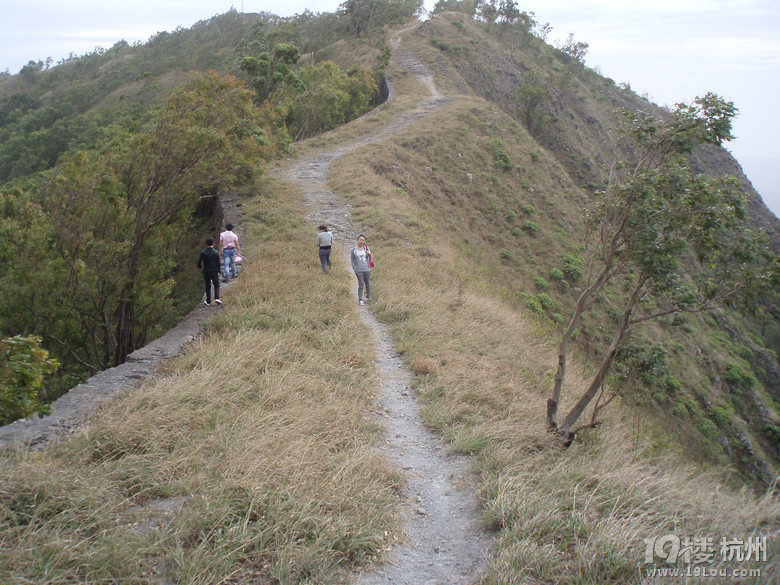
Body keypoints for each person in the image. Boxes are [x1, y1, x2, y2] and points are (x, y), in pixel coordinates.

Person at [197, 237, 222, 306]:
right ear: (213, 243)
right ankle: (216, 297)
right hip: (214, 271)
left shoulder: (203, 253)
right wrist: (219, 270)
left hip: (206, 271)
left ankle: (208, 300)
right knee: (216, 285)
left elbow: (199, 262)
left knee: (208, 286)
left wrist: (201, 268)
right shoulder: (216, 252)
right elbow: (218, 263)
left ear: (206, 244)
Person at [350, 234, 373, 305]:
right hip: (359, 270)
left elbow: (371, 257)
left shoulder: (366, 248)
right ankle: (360, 300)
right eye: (360, 240)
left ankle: (368, 297)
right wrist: (355, 269)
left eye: (363, 240)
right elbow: (352, 260)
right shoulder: (353, 249)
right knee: (361, 284)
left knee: (368, 283)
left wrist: (369, 254)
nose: (361, 241)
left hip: (367, 269)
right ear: (357, 240)